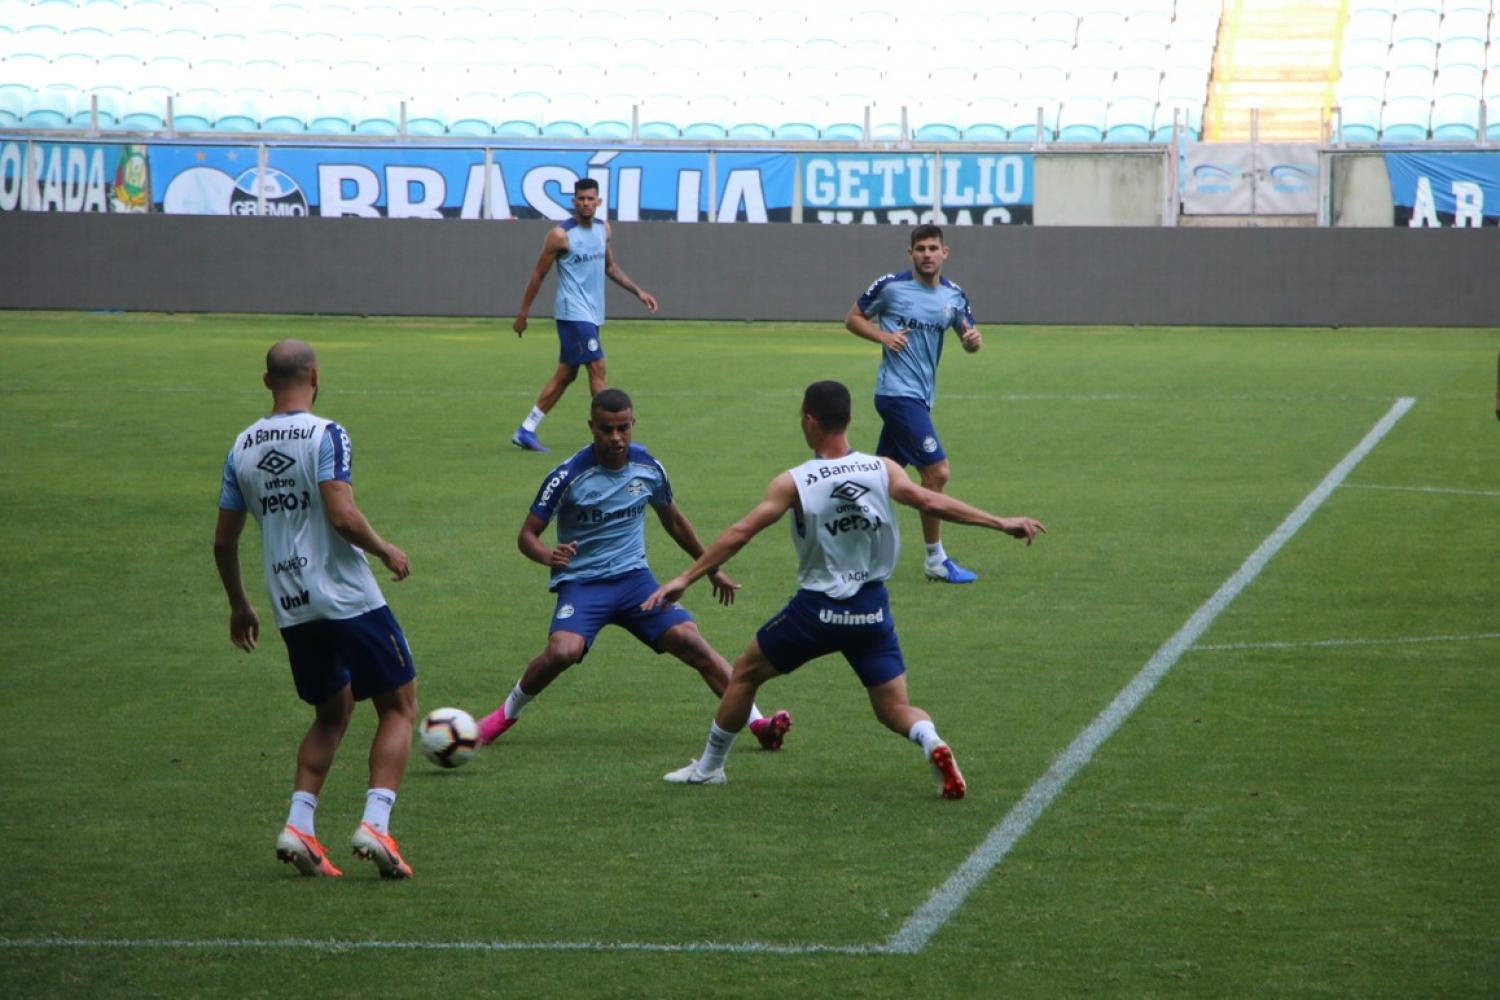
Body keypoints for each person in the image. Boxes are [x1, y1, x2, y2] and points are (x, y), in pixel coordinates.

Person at [647, 380, 1045, 798]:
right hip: (873, 612)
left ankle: (710, 768)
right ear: (850, 419)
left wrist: (685, 577)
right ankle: (930, 739)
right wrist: (999, 521)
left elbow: (742, 531)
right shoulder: (883, 468)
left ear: (809, 420)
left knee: (744, 674)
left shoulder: (794, 482)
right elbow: (930, 501)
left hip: (816, 612)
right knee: (893, 708)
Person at [476, 387, 792, 750]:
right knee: (563, 651)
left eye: (623, 428)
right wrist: (549, 556)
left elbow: (674, 522)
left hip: (635, 582)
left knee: (693, 643)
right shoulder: (566, 477)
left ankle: (759, 724)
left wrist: (711, 568)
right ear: (591, 426)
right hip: (583, 584)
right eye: (607, 429)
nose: (616, 437)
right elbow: (526, 535)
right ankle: (503, 717)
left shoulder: (648, 468)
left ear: (633, 424)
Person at [213, 339, 419, 880]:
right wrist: (386, 550)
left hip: (291, 604)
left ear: (267, 382)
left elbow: (223, 541)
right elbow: (342, 515)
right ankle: (376, 822)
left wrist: (240, 605)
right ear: (315, 375)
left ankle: (299, 826)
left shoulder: (241, 447)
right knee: (398, 704)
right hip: (347, 597)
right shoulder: (326, 433)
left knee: (333, 710)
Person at [844, 223, 985, 584]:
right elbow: (853, 318)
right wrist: (883, 336)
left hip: (920, 396)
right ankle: (935, 559)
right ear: (911, 254)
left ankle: (846, 546)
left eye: (932, 248)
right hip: (896, 394)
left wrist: (972, 342)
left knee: (878, 479)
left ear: (944, 253)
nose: (926, 254)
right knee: (936, 473)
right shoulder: (891, 287)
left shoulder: (954, 296)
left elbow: (968, 336)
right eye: (920, 248)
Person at [509, 177, 659, 453]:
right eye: (581, 198)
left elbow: (610, 267)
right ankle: (610, 432)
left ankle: (526, 429)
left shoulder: (604, 230)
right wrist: (523, 314)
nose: (586, 203)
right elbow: (538, 274)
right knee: (597, 367)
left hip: (592, 313)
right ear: (574, 201)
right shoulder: (560, 235)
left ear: (599, 202)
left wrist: (638, 291)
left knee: (566, 375)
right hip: (572, 313)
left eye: (591, 198)